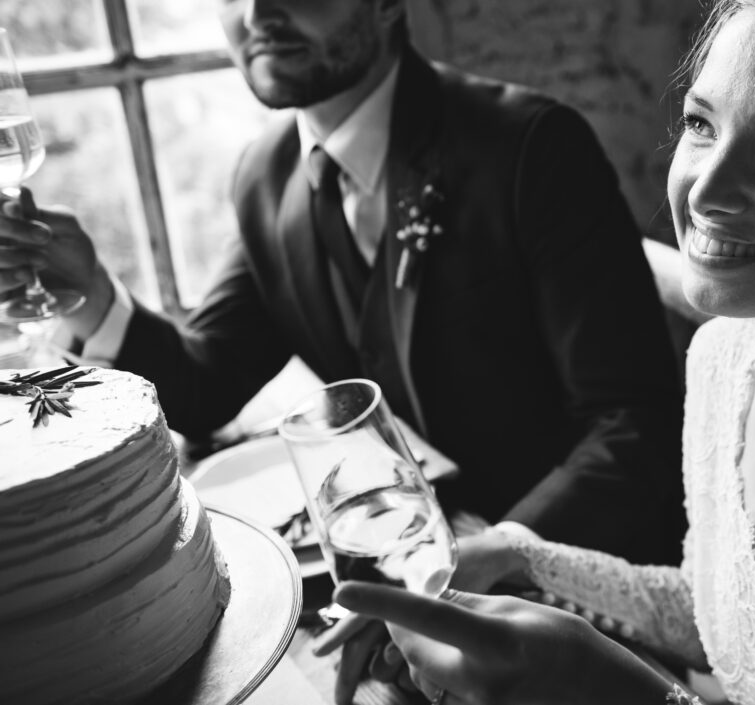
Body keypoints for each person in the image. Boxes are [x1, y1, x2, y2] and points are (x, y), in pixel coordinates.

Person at [326, 0, 755, 703]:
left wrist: (604, 685)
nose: (706, 191)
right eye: (700, 124)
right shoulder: (723, 361)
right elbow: (722, 614)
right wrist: (520, 556)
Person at [0, 1, 685, 701]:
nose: (258, 12)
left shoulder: (533, 147)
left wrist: (500, 555)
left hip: (572, 602)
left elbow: (636, 424)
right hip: (393, 589)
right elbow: (205, 384)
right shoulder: (266, 175)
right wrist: (90, 295)